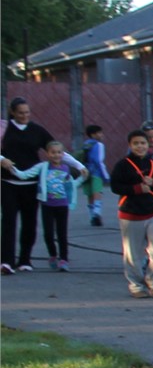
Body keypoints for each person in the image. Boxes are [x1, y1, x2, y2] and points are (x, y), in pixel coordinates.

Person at [1, 140, 87, 272]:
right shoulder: (43, 167)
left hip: (62, 205)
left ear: (63, 154)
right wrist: (12, 169)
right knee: (48, 234)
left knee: (62, 234)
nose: (56, 155)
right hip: (47, 206)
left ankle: (64, 260)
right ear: (47, 154)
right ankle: (53, 255)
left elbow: (71, 185)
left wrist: (83, 177)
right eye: (53, 152)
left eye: (59, 152)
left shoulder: (66, 169)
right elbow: (25, 175)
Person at [109, 129, 153, 297]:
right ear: (130, 145)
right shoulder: (122, 165)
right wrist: (136, 189)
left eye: (143, 143)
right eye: (136, 143)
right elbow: (115, 186)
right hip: (130, 213)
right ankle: (136, 285)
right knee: (133, 253)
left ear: (148, 145)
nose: (140, 146)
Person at [2, 99, 54, 274]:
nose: (24, 116)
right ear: (13, 112)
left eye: (27, 112)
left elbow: (55, 149)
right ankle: (6, 261)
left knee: (29, 222)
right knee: (8, 222)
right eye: (20, 113)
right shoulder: (4, 128)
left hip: (31, 185)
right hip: (8, 183)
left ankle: (25, 259)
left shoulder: (37, 131)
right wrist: (2, 159)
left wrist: (79, 166)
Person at [83, 124, 110, 227]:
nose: (101, 135)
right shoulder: (99, 145)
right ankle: (97, 212)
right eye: (99, 133)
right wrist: (106, 175)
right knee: (97, 192)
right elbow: (99, 161)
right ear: (93, 134)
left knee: (90, 194)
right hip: (96, 172)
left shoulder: (86, 144)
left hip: (86, 171)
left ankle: (91, 215)